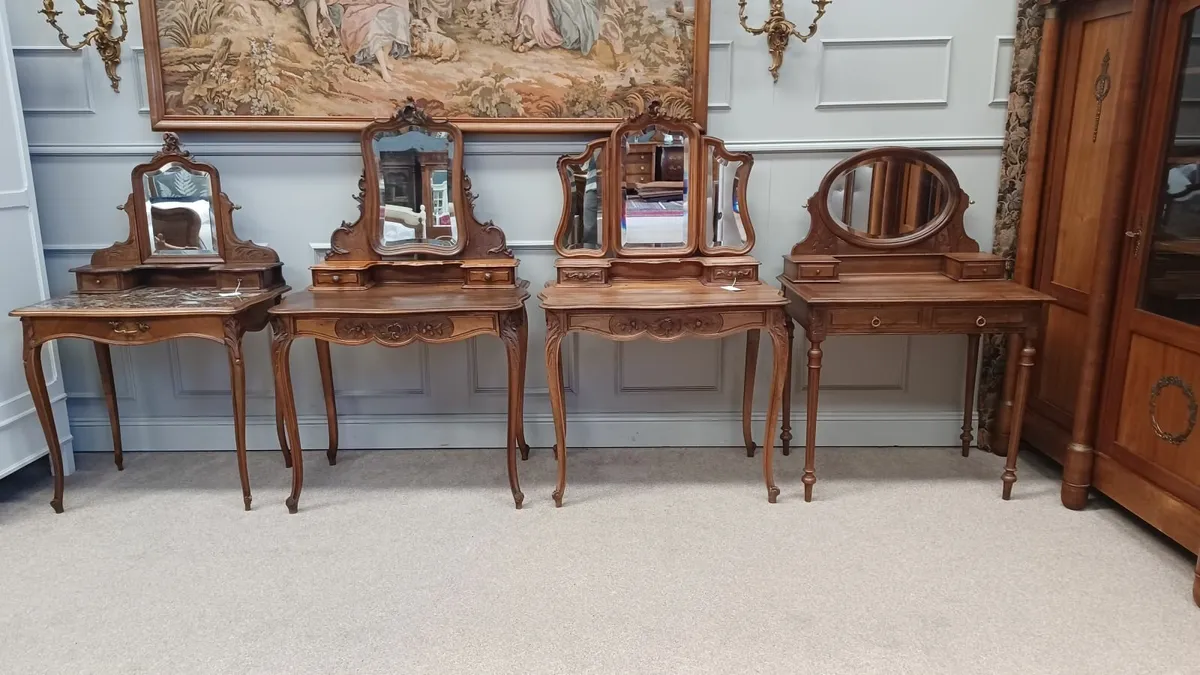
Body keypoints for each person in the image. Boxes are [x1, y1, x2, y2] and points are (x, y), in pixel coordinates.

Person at [326, 0, 413, 82]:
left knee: (395, 16)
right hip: (358, 8)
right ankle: (383, 68)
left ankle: (385, 57)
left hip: (378, 5)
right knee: (374, 25)